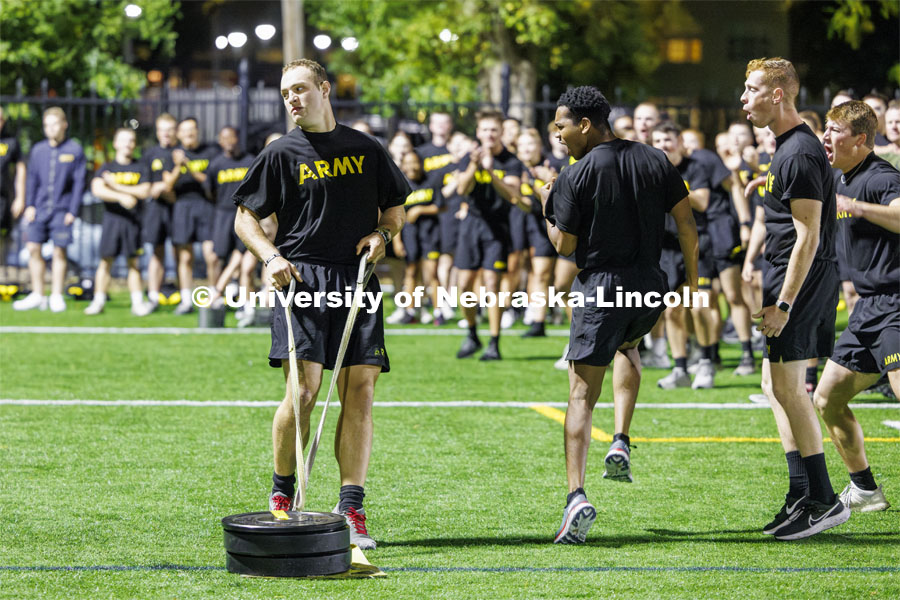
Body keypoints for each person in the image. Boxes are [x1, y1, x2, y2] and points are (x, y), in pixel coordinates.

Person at [233, 58, 409, 550]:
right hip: (302, 278)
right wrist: (270, 256)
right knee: (305, 391)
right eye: (286, 92)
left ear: (324, 90)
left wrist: (383, 234)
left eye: (300, 89)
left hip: (357, 278)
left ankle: (351, 507)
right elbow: (245, 219)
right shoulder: (280, 153)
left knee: (361, 393)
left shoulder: (365, 148)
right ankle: (282, 493)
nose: (292, 99)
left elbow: (395, 209)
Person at [540, 86, 697, 543]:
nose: (559, 134)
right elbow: (686, 223)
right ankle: (622, 438)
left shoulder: (576, 173)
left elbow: (564, 247)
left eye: (562, 125)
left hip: (602, 286)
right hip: (651, 285)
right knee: (628, 345)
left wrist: (546, 206)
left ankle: (576, 498)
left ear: (585, 124)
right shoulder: (656, 159)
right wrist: (694, 280)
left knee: (580, 395)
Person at [740, 57, 849, 540]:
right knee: (773, 384)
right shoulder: (787, 148)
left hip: (799, 282)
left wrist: (783, 304)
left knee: (788, 387)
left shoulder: (799, 151)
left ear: (778, 94)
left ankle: (824, 499)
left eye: (751, 89)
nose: (744, 99)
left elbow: (809, 235)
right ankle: (801, 491)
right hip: (788, 277)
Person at [814, 101, 897, 512]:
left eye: (834, 130)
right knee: (827, 398)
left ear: (860, 139)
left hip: (896, 305)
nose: (826, 137)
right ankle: (865, 489)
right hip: (868, 309)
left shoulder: (882, 177)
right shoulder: (840, 176)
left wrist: (856, 206)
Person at [454, 109, 524, 361]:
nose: (489, 134)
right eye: (484, 130)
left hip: (497, 227)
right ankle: (472, 333)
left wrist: (491, 172)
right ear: (478, 132)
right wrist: (474, 164)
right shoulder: (468, 157)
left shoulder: (511, 161)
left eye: (494, 130)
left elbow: (513, 195)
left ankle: (494, 342)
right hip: (471, 225)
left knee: (492, 284)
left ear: (501, 132)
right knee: (464, 285)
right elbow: (461, 188)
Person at [13, 107, 85, 312]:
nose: (50, 129)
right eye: (47, 125)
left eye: (54, 124)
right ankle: (37, 294)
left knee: (59, 251)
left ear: (64, 125)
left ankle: (56, 295)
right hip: (39, 208)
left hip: (62, 210)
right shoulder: (38, 150)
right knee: (33, 248)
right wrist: (30, 205)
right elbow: (32, 179)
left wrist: (73, 210)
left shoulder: (74, 150)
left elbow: (79, 183)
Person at [83, 128, 153, 316]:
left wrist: (114, 185)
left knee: (133, 263)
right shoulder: (107, 168)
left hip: (133, 222)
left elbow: (145, 191)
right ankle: (98, 301)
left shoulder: (141, 167)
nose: (128, 144)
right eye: (123, 140)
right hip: (112, 221)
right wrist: (121, 197)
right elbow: (97, 189)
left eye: (131, 140)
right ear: (115, 143)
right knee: (105, 262)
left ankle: (137, 303)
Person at [171, 117, 219, 315]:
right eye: (184, 131)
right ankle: (186, 299)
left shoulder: (211, 152)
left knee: (211, 255)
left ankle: (213, 297)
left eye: (192, 130)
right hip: (182, 207)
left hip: (206, 206)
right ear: (179, 134)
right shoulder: (173, 155)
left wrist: (188, 166)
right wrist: (177, 166)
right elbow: (167, 186)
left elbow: (209, 182)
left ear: (197, 131)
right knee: (185, 256)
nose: (189, 134)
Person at [206, 126, 256, 308]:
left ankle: (243, 301)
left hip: (244, 213)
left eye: (231, 137)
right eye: (224, 138)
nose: (228, 141)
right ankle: (216, 296)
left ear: (237, 139)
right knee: (216, 256)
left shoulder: (250, 161)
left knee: (242, 256)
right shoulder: (216, 164)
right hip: (223, 214)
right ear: (220, 141)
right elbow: (210, 191)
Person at [142, 113, 180, 311]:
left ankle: (184, 297)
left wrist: (164, 189)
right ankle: (153, 296)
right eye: (162, 130)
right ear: (157, 132)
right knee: (156, 254)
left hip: (178, 209)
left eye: (169, 130)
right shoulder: (150, 154)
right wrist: (160, 189)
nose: (166, 134)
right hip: (156, 210)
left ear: (175, 131)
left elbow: (172, 189)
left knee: (180, 252)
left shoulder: (181, 153)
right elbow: (146, 186)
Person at [0, 106, 27, 282]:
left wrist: (20, 197)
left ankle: (1, 275)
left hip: (2, 199)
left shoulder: (10, 142)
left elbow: (21, 168)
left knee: (3, 238)